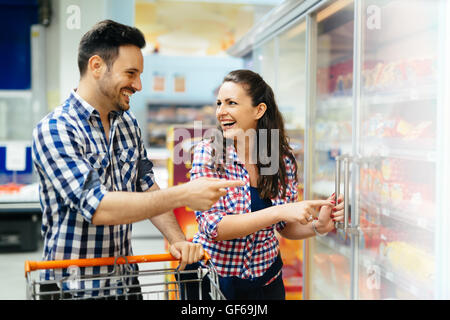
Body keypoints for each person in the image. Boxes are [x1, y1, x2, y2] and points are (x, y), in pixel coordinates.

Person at [31, 20, 244, 300]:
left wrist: (178, 240)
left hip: (124, 283)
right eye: (131, 73)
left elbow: (146, 186)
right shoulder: (57, 129)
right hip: (73, 287)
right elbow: (98, 208)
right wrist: (183, 194)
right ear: (96, 66)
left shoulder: (128, 124)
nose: (139, 85)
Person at [183, 69, 344, 300]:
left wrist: (318, 226)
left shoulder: (282, 160)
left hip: (266, 283)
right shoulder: (207, 154)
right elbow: (214, 228)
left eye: (231, 103)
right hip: (214, 283)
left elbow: (284, 226)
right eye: (219, 103)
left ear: (259, 110)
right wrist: (279, 210)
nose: (221, 112)